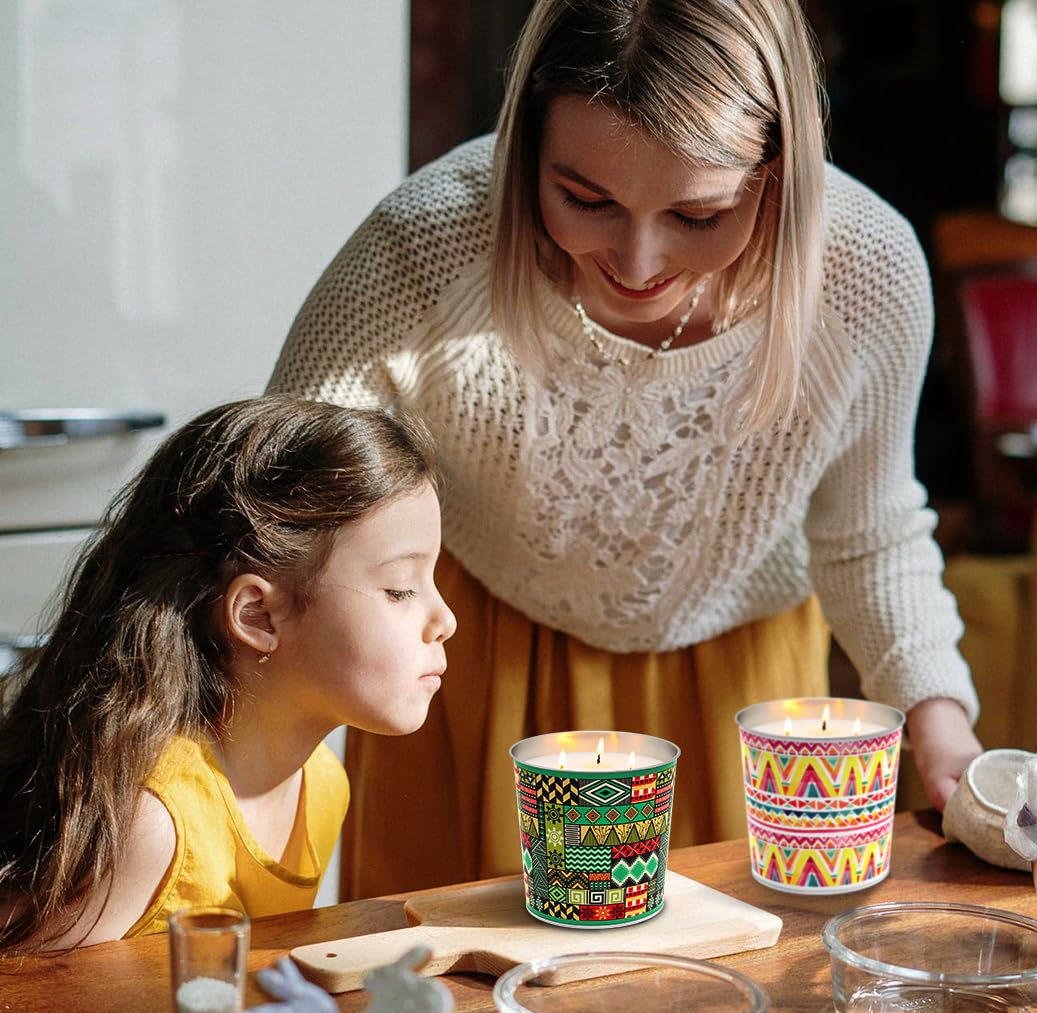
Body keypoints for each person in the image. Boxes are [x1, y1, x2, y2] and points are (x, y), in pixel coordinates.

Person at [268, 0, 982, 899]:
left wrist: (940, 723)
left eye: (698, 214)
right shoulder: (423, 248)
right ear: (526, 143)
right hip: (471, 682)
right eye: (587, 199)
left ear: (777, 173)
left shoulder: (866, 271)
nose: (639, 262)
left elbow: (868, 532)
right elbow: (279, 518)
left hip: (745, 703)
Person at [0, 396, 455, 952]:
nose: (445, 620)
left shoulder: (322, 785)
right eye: (401, 588)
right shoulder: (150, 828)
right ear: (258, 616)